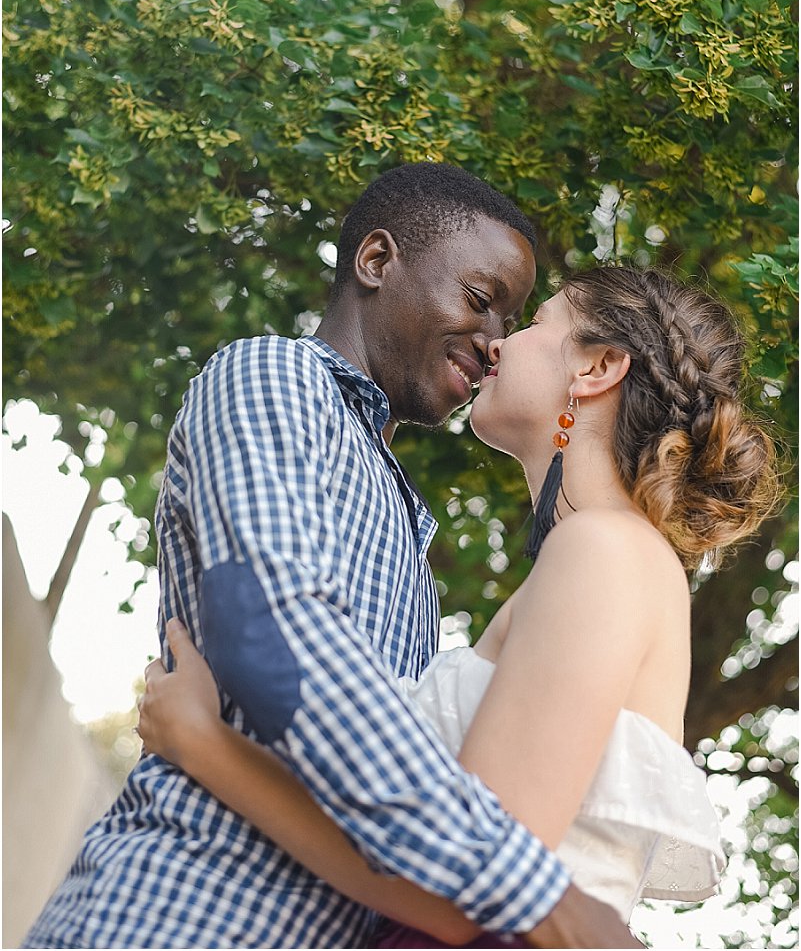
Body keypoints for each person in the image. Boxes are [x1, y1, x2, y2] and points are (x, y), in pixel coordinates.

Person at [24, 163, 635, 950]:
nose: (494, 346)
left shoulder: (406, 523)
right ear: (377, 262)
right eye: (481, 303)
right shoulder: (274, 377)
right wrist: (535, 892)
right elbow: (275, 638)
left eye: (511, 323)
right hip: (180, 915)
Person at [136, 263, 778, 947]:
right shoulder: (606, 558)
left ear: (598, 367)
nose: (496, 344)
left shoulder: (604, 552)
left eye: (535, 323)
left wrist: (206, 747)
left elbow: (471, 897)